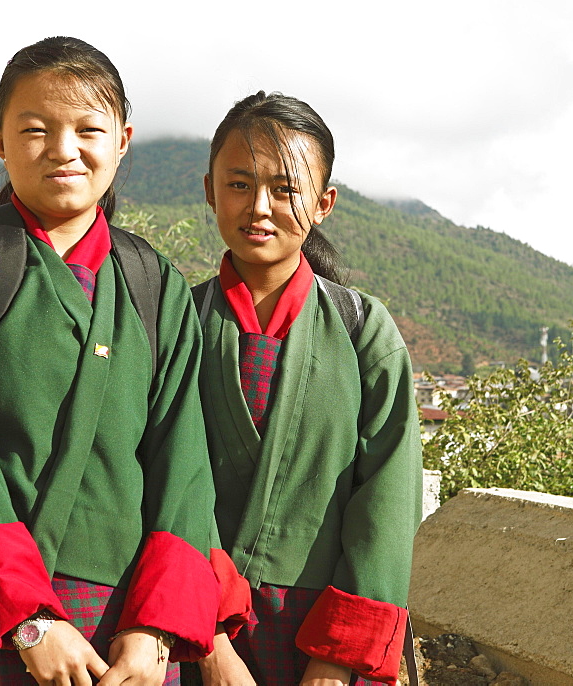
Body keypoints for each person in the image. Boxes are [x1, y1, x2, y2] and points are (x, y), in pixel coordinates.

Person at [0, 36, 224, 685]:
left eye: (88, 129)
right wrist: (30, 621)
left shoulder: (157, 285)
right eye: (36, 129)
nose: (64, 149)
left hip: (121, 620)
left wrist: (153, 631)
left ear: (122, 140)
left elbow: (185, 470)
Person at [192, 91, 423, 685]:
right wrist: (211, 645)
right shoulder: (176, 323)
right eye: (239, 185)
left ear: (323, 203)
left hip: (323, 629)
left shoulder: (362, 329)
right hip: (196, 626)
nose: (259, 207)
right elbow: (160, 484)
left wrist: (339, 654)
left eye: (286, 189)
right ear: (210, 189)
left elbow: (388, 502)